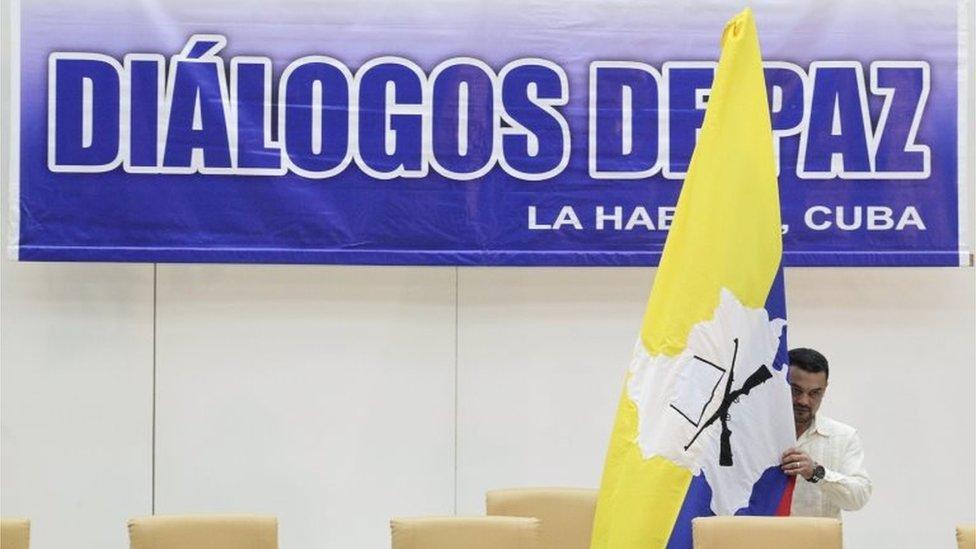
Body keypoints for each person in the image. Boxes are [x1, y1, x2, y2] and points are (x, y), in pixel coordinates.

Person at [780, 347, 872, 518]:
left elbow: (859, 497)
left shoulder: (843, 437)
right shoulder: (752, 433)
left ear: (825, 389)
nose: (803, 401)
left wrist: (817, 473)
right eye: (796, 390)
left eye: (814, 393)